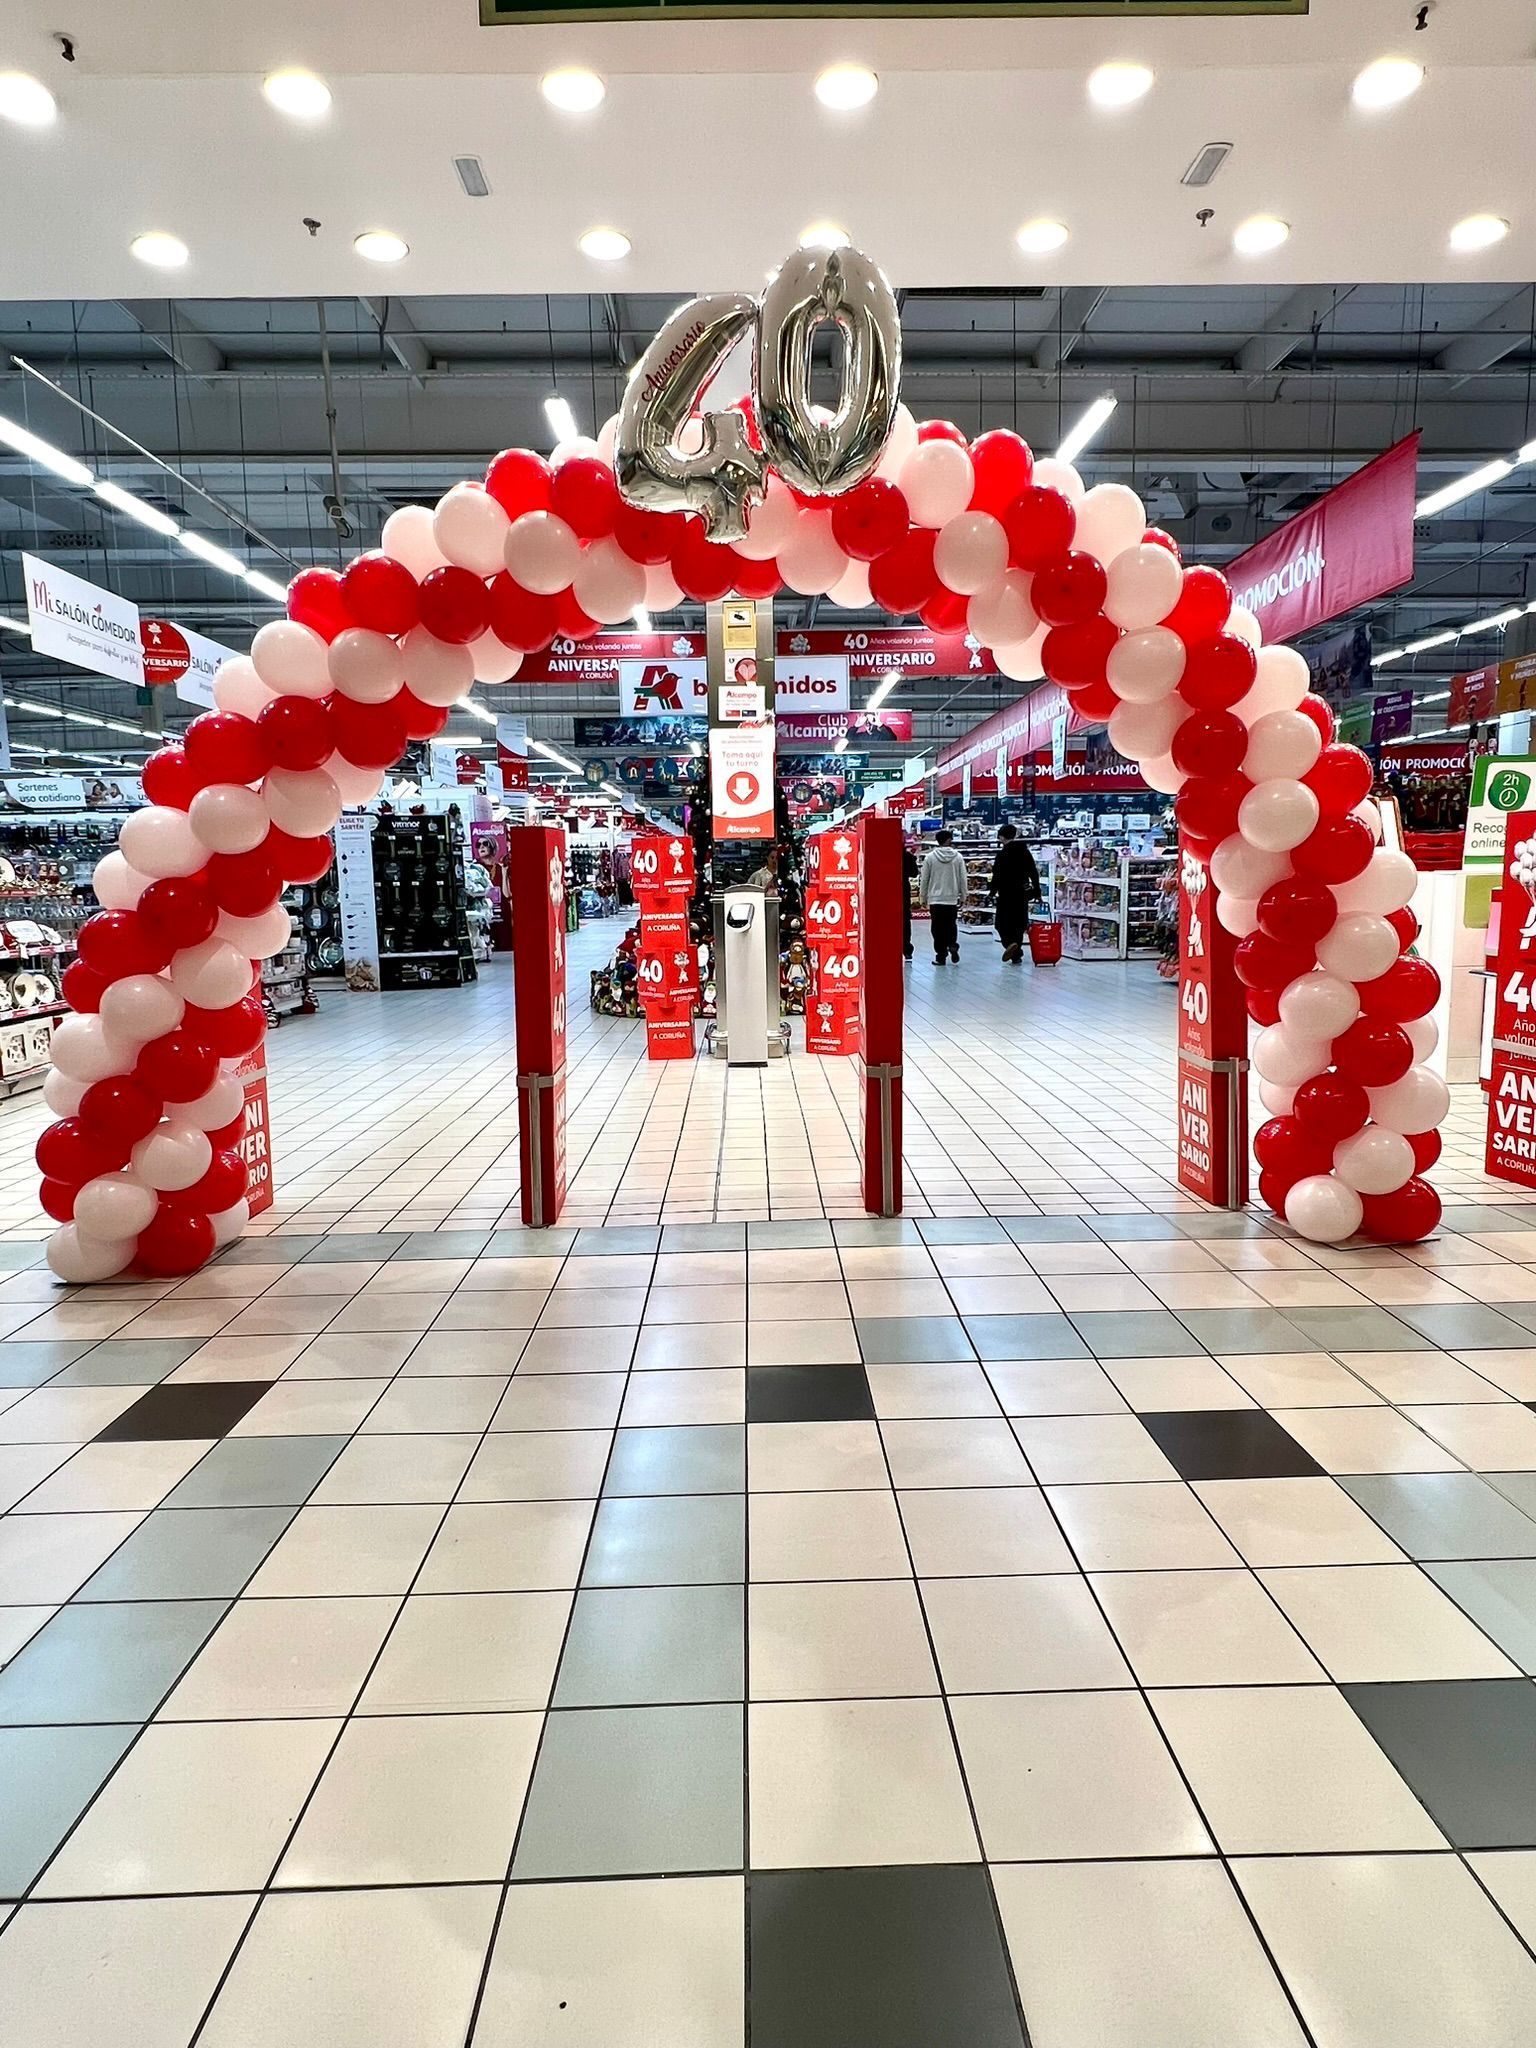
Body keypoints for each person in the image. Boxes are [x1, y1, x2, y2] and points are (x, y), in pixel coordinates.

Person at [989, 821, 1042, 963]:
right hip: (1022, 892)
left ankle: (1010, 946)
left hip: (1006, 893)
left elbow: (997, 876)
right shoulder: (1024, 851)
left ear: (1001, 837)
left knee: (1001, 924)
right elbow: (1033, 872)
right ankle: (1016, 954)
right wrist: (1037, 891)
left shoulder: (1002, 854)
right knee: (1019, 923)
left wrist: (992, 893)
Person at [918, 829, 968, 963]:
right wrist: (964, 895)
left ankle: (941, 956)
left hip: (935, 900)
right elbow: (963, 878)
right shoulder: (958, 857)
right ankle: (952, 944)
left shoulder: (930, 857)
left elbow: (925, 879)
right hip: (951, 899)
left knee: (937, 928)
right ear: (949, 840)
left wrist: (922, 897)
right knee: (951, 925)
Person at [902, 839, 919, 959]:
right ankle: (907, 949)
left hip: (886, 891)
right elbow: (914, 873)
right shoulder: (908, 856)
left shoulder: (883, 855)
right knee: (905, 921)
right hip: (903, 890)